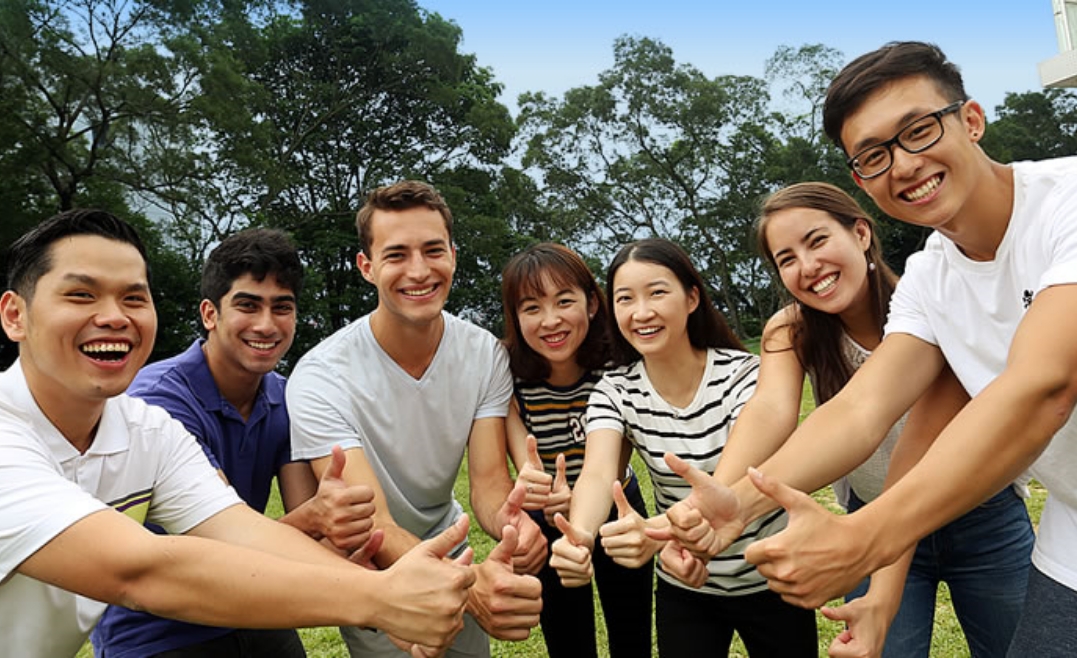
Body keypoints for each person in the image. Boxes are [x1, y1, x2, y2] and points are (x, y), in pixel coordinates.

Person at [664, 41, 1077, 656]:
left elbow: (1044, 387)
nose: (902, 165)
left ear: (971, 120)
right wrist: (735, 503)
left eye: (919, 131)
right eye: (874, 155)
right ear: (860, 180)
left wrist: (864, 539)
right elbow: (861, 410)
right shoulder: (931, 277)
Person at [0, 209, 482, 658]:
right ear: (14, 315)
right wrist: (380, 598)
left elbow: (241, 531)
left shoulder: (147, 430)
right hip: (157, 629)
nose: (114, 316)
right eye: (81, 294)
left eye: (133, 297)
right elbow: (141, 570)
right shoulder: (20, 430)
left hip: (245, 604)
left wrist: (416, 592)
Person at [723, 182, 1032, 656]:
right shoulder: (793, 329)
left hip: (982, 518)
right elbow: (769, 409)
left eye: (817, 240)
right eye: (786, 259)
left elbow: (916, 451)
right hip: (867, 517)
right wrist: (720, 497)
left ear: (861, 233)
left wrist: (883, 587)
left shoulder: (931, 301)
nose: (808, 267)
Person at [286, 180, 545, 658]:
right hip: (374, 571)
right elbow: (373, 522)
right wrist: (468, 588)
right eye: (397, 255)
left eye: (432, 250)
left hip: (450, 549)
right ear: (367, 267)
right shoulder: (321, 375)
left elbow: (487, 482)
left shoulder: (483, 354)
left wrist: (512, 520)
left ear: (453, 253)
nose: (419, 271)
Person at [91, 228, 379, 657]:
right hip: (157, 625)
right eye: (248, 305)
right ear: (210, 313)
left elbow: (309, 527)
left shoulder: (286, 396)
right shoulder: (159, 401)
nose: (266, 324)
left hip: (250, 604)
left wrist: (338, 529)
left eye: (282, 307)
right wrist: (316, 522)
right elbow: (215, 548)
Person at [550, 237, 817, 657]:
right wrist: (580, 536)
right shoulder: (615, 390)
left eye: (657, 292)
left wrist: (657, 533)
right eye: (625, 299)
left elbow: (735, 481)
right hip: (684, 584)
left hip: (772, 576)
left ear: (692, 297)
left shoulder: (743, 375)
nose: (641, 312)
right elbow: (599, 472)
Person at [500, 243, 653, 657]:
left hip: (619, 506)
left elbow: (615, 457)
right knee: (568, 641)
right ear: (515, 318)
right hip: (546, 516)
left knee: (632, 633)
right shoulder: (508, 371)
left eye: (564, 301)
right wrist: (541, 490)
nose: (550, 321)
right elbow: (522, 453)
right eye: (531, 308)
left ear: (591, 304)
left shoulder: (617, 361)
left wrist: (584, 499)